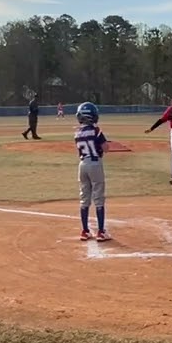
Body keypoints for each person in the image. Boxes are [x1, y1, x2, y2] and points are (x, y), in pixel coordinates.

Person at [74, 102, 110, 241]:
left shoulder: (77, 132)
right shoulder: (96, 131)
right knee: (98, 197)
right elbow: (105, 148)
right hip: (95, 163)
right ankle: (101, 232)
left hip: (82, 164)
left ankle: (85, 231)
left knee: (84, 198)